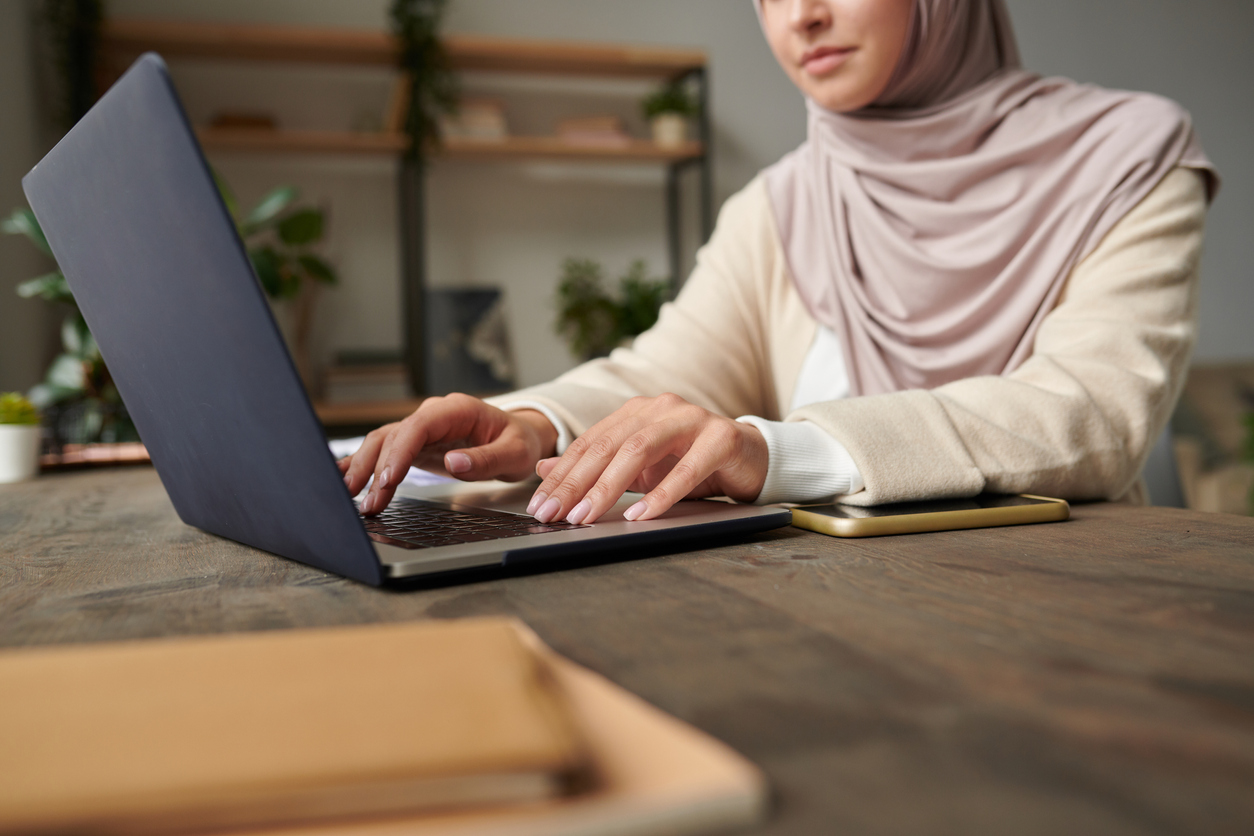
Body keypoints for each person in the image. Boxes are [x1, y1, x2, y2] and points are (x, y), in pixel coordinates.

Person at [341, 0, 1217, 528]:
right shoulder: (786, 200)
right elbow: (666, 372)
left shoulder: (1128, 156)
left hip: (1063, 615)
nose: (801, 16)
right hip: (820, 622)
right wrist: (531, 424)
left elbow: (1094, 414)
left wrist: (778, 452)